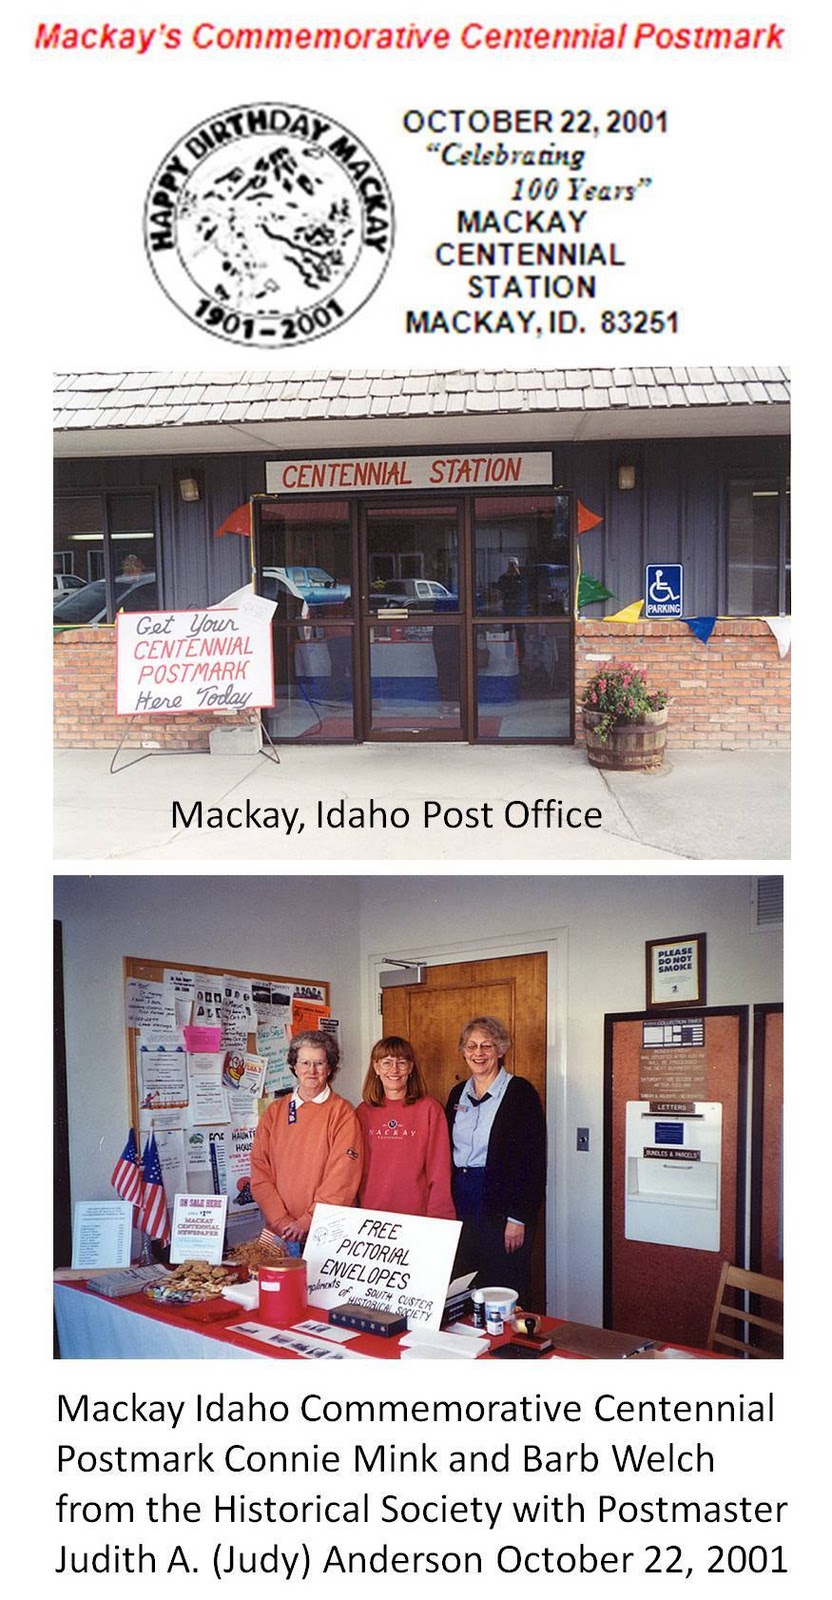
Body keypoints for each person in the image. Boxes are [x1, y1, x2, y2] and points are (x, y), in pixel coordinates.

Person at [446, 1015, 546, 1305]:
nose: (478, 1053)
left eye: (487, 1046)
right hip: (461, 1199)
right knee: (465, 1278)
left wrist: (518, 1217)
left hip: (501, 1205)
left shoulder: (520, 1093)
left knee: (503, 1280)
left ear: (500, 1050)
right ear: (464, 1050)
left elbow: (533, 1162)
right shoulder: (457, 1093)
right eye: (471, 1046)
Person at [250, 1030, 363, 1243]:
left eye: (319, 1063)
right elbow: (260, 1172)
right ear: (294, 1066)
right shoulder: (275, 1112)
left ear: (330, 1068)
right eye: (304, 1063)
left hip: (328, 1231)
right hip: (278, 1232)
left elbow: (342, 1179)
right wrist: (280, 1220)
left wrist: (306, 1222)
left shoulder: (343, 1112)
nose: (311, 1070)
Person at [356, 1036, 456, 1219]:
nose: (394, 1070)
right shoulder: (363, 1112)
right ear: (376, 1068)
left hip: (418, 1214)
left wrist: (439, 1218)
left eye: (401, 1062)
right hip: (371, 1213)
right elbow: (355, 1169)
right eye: (386, 1063)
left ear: (410, 1068)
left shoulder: (430, 1109)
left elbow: (440, 1170)